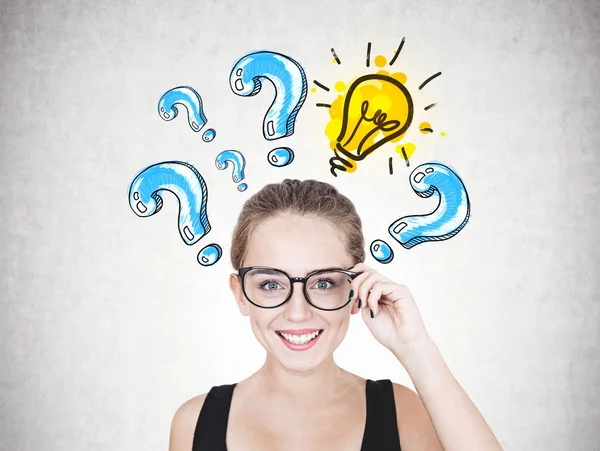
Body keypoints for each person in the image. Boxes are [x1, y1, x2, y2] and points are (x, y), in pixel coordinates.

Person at [169, 179, 503, 451]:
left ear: (355, 290)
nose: (297, 312)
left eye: (323, 282)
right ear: (240, 294)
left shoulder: (403, 414)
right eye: (271, 284)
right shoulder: (194, 423)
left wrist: (416, 349)